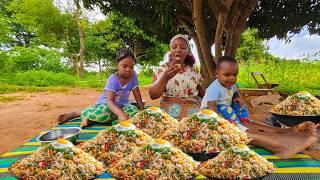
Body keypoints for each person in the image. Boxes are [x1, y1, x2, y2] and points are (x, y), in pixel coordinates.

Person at [201, 55, 319, 159]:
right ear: (216, 74)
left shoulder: (231, 85)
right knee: (234, 124)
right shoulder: (214, 88)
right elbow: (211, 108)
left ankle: (284, 132)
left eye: (235, 75)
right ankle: (279, 145)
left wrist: (239, 98)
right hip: (212, 115)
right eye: (227, 75)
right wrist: (220, 125)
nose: (231, 78)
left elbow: (235, 92)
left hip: (227, 112)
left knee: (243, 117)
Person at [57, 48, 144, 128]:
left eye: (131, 67)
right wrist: (120, 114)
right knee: (103, 113)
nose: (128, 69)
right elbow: (109, 101)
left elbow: (136, 92)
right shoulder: (113, 79)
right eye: (124, 66)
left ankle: (104, 120)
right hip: (107, 105)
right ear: (117, 64)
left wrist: (142, 110)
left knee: (135, 113)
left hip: (122, 105)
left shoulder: (133, 75)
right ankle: (80, 114)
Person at [149, 34, 205, 119]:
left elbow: (200, 90)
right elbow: (153, 95)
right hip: (170, 111)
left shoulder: (193, 69)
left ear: (188, 51)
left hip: (193, 109)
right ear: (170, 51)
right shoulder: (163, 69)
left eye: (183, 48)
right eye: (174, 47)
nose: (178, 50)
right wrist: (165, 77)